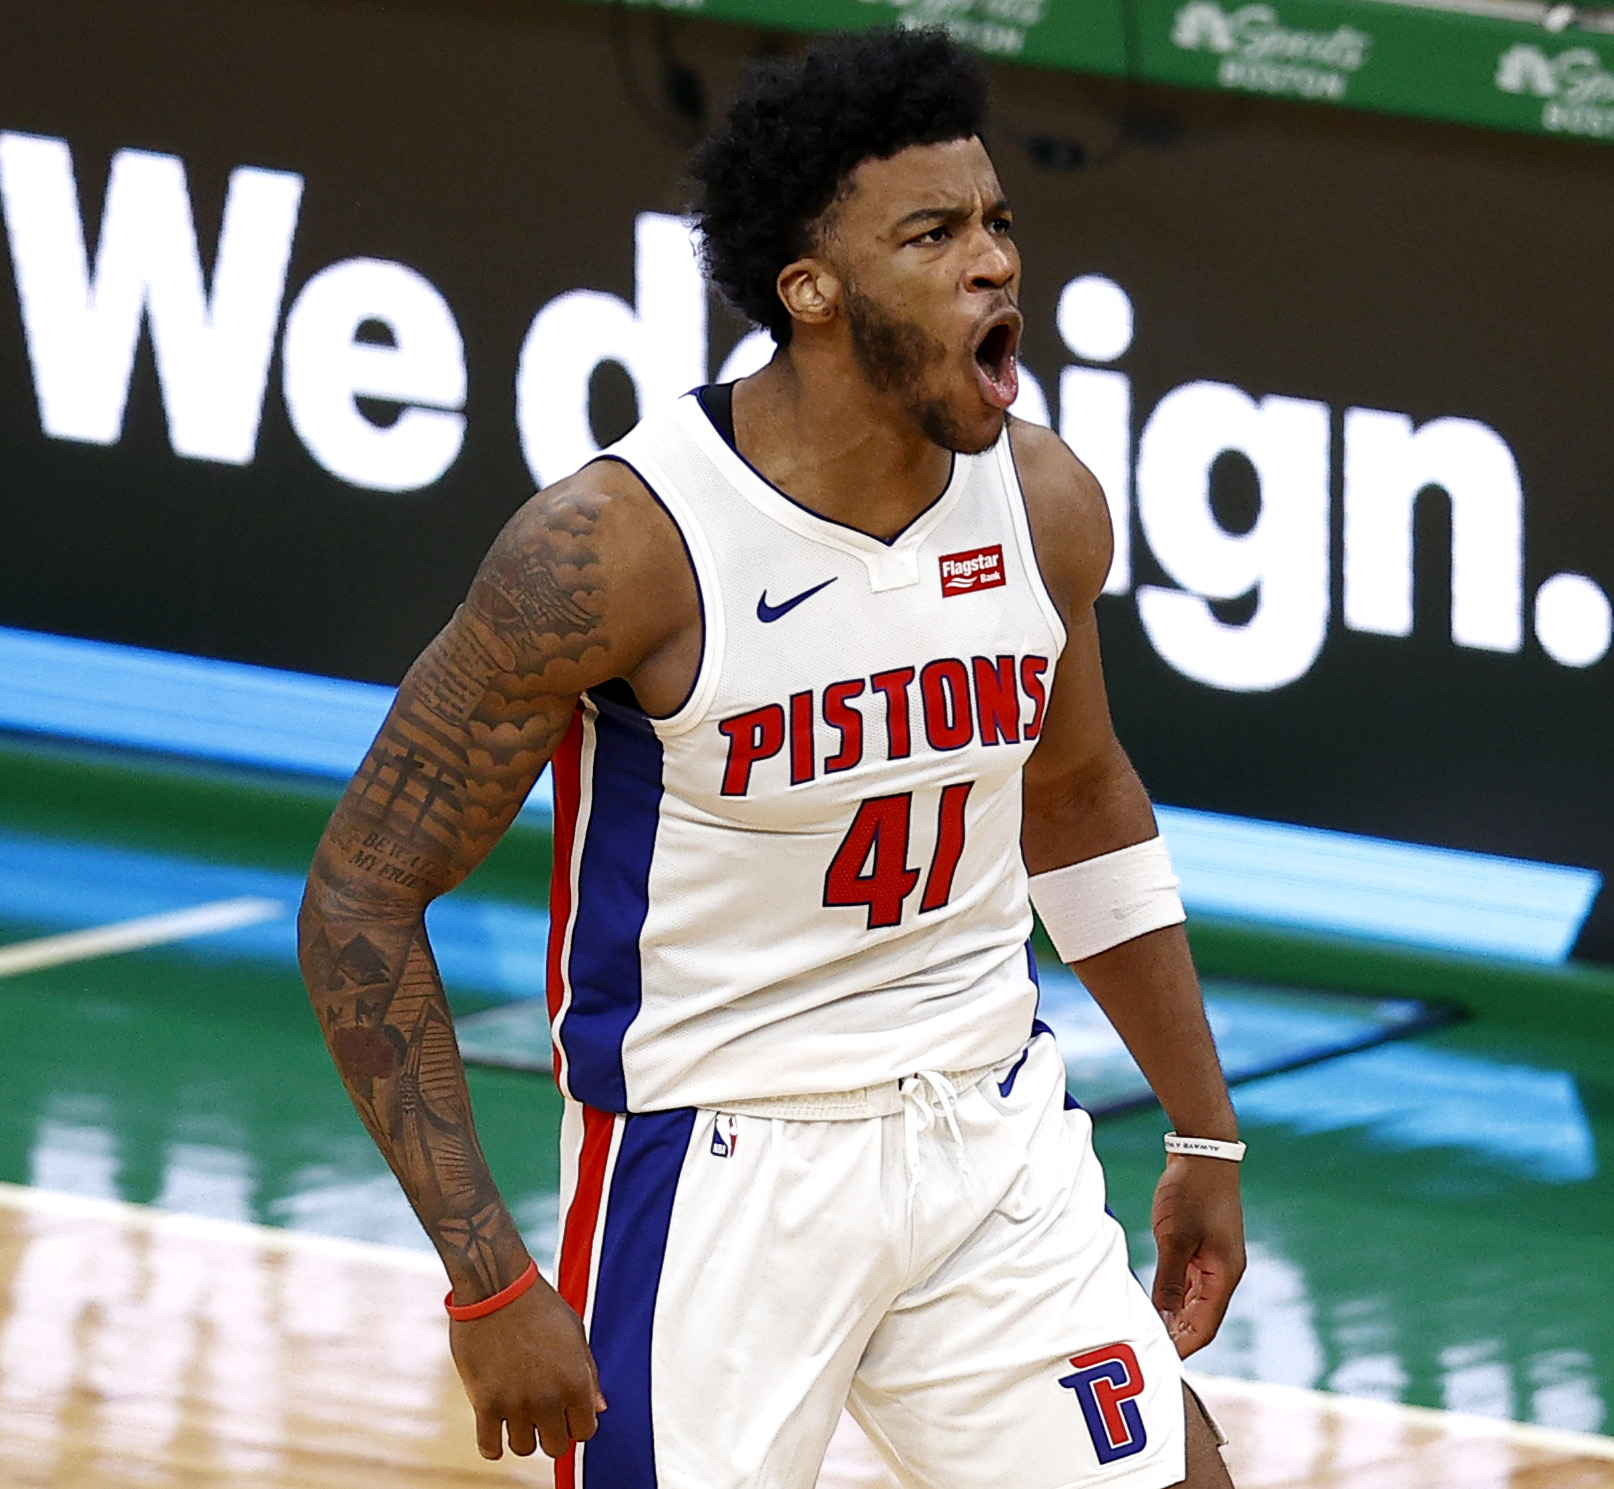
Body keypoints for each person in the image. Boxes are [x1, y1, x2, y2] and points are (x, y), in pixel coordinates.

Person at [296, 25, 1246, 1489]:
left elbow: (1072, 792)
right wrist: (486, 1276)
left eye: (997, 221)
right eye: (932, 233)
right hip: (716, 1169)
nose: (992, 261)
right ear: (810, 289)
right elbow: (359, 898)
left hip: (986, 1124)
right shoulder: (614, 549)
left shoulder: (1042, 503)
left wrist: (1203, 1124)